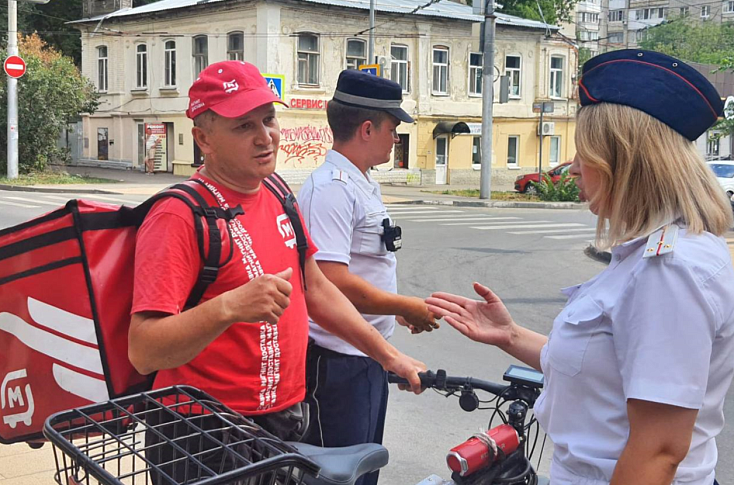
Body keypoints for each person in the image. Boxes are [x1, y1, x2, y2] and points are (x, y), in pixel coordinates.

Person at [426, 49, 734, 485]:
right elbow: (603, 368)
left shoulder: (671, 271)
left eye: (584, 154)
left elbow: (658, 452)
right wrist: (509, 335)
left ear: (625, 163)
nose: (572, 168)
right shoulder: (654, 254)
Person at [128, 61, 425, 458]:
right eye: (243, 126)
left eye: (268, 119)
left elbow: (316, 287)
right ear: (204, 139)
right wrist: (229, 307)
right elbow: (144, 351)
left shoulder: (277, 193)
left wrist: (390, 356)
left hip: (282, 420)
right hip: (200, 433)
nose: (265, 137)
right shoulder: (178, 216)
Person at [297, 70, 438, 485]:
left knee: (364, 467)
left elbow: (363, 266)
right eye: (393, 128)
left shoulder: (359, 183)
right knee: (336, 473)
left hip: (364, 354)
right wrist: (402, 304)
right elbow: (330, 282)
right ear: (366, 128)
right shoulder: (331, 189)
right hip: (337, 362)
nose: (396, 138)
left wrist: (391, 312)